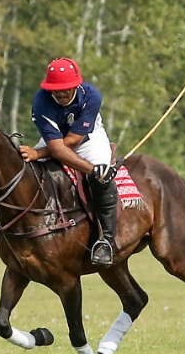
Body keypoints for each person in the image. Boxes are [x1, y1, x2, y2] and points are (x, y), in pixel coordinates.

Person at [19, 57, 117, 266]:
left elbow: (73, 141)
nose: (61, 93)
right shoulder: (41, 101)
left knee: (102, 177)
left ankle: (107, 241)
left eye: (66, 88)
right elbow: (57, 149)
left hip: (89, 139)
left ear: (76, 85)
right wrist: (37, 155)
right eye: (56, 89)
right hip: (55, 142)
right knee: (28, 170)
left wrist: (95, 170)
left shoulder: (91, 96)